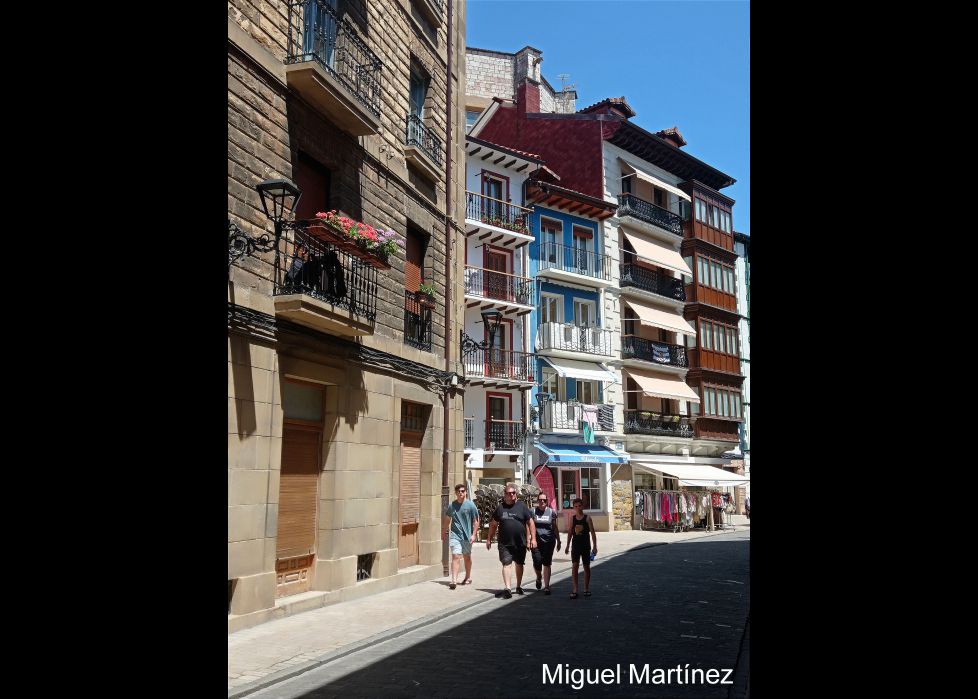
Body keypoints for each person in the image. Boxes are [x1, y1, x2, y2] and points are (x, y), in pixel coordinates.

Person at [486, 483, 536, 598]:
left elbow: (530, 522)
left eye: (513, 493)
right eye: (509, 493)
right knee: (506, 564)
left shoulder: (522, 506)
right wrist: (489, 539)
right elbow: (493, 524)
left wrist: (533, 539)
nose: (512, 495)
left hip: (520, 542)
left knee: (519, 564)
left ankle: (518, 586)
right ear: (505, 495)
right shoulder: (500, 508)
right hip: (504, 543)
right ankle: (508, 588)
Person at [443, 483, 480, 590]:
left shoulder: (471, 505)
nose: (461, 493)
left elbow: (476, 520)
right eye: (458, 491)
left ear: (466, 492)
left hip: (467, 536)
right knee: (456, 556)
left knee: (467, 557)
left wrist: (474, 534)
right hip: (455, 535)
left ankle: (467, 577)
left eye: (463, 491)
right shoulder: (452, 505)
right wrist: (443, 531)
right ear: (456, 493)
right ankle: (454, 580)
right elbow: (447, 519)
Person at [564, 497, 597, 599]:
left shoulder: (587, 518)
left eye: (579, 506)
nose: (578, 508)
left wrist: (595, 546)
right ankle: (575, 589)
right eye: (576, 506)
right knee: (575, 566)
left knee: (586, 567)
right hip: (575, 546)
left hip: (585, 546)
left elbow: (593, 533)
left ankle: (586, 589)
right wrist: (567, 545)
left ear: (582, 506)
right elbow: (570, 532)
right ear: (574, 507)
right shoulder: (572, 518)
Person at [530, 492, 561, 595]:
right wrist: (529, 539)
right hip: (536, 542)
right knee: (537, 562)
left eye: (544, 500)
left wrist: (558, 540)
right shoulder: (533, 511)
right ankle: (539, 577)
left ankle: (547, 586)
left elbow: (555, 527)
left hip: (549, 542)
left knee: (547, 563)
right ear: (537, 501)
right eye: (540, 500)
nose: (542, 501)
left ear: (547, 501)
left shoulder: (551, 512)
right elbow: (529, 525)